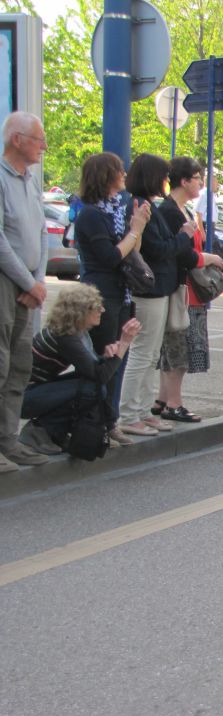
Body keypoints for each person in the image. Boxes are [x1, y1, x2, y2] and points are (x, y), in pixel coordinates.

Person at [118, 153, 203, 437]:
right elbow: (159, 249)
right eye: (163, 176)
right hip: (149, 289)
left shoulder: (148, 206)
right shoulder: (141, 206)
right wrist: (184, 235)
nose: (166, 181)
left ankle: (142, 411)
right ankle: (130, 414)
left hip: (159, 288)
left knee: (151, 353)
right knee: (143, 353)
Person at [74, 152, 151, 447]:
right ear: (106, 176)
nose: (124, 174)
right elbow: (109, 257)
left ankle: (111, 420)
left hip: (122, 292)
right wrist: (134, 230)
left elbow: (132, 250)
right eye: (119, 170)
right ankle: (97, 423)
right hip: (101, 294)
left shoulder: (114, 211)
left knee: (121, 356)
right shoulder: (92, 215)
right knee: (107, 355)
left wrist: (137, 227)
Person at [20, 284, 142, 454]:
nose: (103, 310)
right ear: (81, 311)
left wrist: (105, 358)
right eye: (97, 307)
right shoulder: (66, 337)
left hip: (32, 391)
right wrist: (123, 345)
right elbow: (100, 377)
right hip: (24, 397)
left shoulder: (75, 332)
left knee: (90, 385)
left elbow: (94, 369)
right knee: (91, 389)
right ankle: (39, 431)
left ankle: (54, 433)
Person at [154, 156, 223, 423]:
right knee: (178, 347)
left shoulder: (181, 209)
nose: (201, 183)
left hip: (187, 288)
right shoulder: (171, 211)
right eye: (197, 178)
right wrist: (207, 258)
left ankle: (162, 400)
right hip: (182, 289)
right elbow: (180, 253)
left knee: (176, 346)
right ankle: (173, 403)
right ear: (184, 181)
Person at [0, 111, 50, 470]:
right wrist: (27, 281)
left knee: (19, 365)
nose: (43, 146)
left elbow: (40, 234)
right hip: (8, 283)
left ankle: (8, 440)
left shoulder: (31, 180)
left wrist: (40, 281)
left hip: (28, 285)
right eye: (38, 139)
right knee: (1, 365)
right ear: (16, 139)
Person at [194, 173, 219, 239]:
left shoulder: (210, 195)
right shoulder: (205, 194)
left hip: (210, 226)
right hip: (205, 226)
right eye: (216, 182)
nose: (217, 185)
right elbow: (198, 214)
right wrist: (202, 232)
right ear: (211, 182)